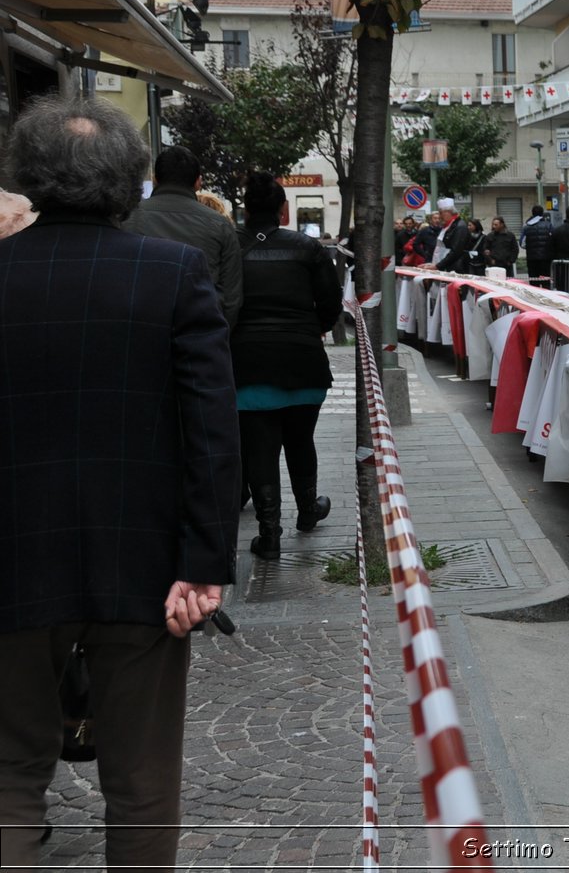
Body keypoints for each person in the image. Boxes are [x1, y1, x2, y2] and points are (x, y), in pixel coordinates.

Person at [0, 95, 240, 870]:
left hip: (9, 557)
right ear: (127, 179)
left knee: (8, 771)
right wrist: (205, 561)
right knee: (140, 780)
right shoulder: (172, 272)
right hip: (143, 564)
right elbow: (211, 428)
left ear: (28, 177)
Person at [235, 172, 343, 559]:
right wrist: (315, 328)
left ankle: (269, 534)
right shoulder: (307, 248)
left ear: (246, 210)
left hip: (247, 362)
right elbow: (331, 302)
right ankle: (308, 510)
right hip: (302, 360)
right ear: (283, 210)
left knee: (259, 448)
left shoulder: (230, 247)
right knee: (301, 439)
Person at [124, 144, 244, 327]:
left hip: (139, 327)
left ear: (155, 180)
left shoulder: (127, 218)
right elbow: (231, 296)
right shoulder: (220, 225)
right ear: (198, 182)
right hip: (199, 328)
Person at [433, 198, 471, 272]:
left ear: (448, 212)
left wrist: (438, 266)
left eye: (441, 213)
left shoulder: (460, 227)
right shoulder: (449, 226)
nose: (440, 216)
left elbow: (456, 251)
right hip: (446, 265)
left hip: (456, 268)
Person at [521, 205, 554, 282]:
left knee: (534, 283)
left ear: (532, 213)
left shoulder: (526, 226)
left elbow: (522, 244)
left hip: (532, 259)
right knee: (546, 282)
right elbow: (553, 240)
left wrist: (531, 247)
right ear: (542, 213)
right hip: (545, 259)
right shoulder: (548, 225)